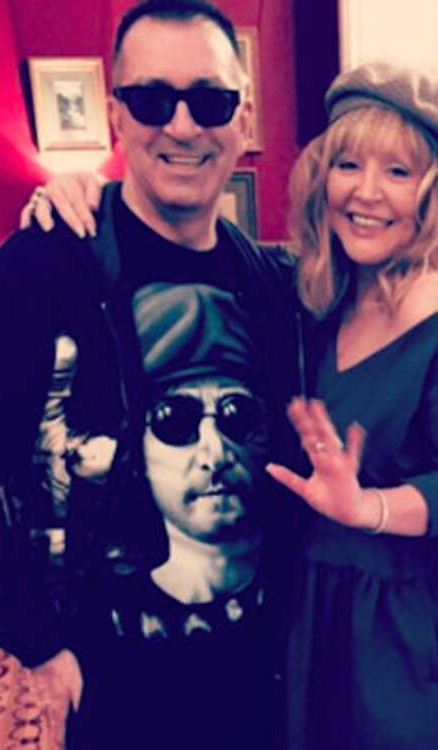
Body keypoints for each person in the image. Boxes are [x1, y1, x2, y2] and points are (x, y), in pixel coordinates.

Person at [26, 62, 438, 750]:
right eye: (348, 164)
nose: (367, 192)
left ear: (432, 195)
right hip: (312, 601)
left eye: (398, 172)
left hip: (410, 617)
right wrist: (85, 190)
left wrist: (370, 508)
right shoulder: (311, 292)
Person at [0, 2, 298, 748]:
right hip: (118, 689)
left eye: (210, 101)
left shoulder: (269, 281)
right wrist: (35, 641)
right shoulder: (43, 267)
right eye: (152, 100)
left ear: (242, 119)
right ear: (117, 115)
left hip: (262, 676)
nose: (182, 126)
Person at [71, 283, 273, 749]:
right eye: (174, 419)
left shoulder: (307, 583)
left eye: (237, 414)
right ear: (136, 448)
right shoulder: (106, 609)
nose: (215, 453)